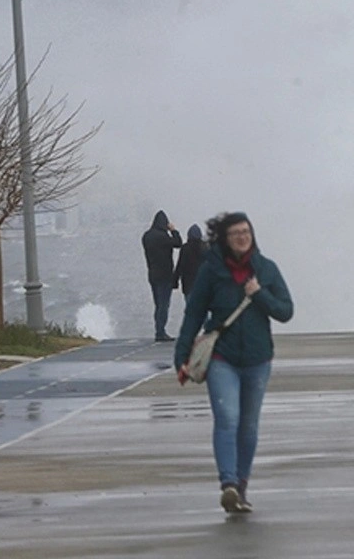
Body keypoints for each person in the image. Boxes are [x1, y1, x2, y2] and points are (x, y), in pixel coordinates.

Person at [174, 212, 293, 513]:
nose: (242, 237)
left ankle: (241, 487)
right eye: (236, 233)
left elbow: (285, 311)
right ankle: (227, 483)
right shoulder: (211, 272)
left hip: (257, 358)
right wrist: (182, 357)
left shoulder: (266, 270)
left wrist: (259, 294)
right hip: (221, 357)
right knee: (227, 418)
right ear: (225, 240)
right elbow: (194, 315)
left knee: (248, 426)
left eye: (246, 231)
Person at [143, 210, 183, 341]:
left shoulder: (147, 236)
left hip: (152, 274)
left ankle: (158, 330)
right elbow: (178, 243)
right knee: (164, 305)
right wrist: (173, 230)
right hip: (165, 275)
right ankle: (161, 332)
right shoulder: (163, 237)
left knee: (158, 304)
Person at [173, 223, 205, 299]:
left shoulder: (185, 248)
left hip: (188, 284)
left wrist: (175, 280)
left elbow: (180, 265)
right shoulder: (206, 247)